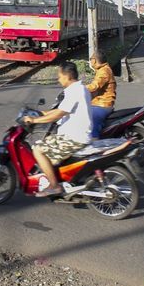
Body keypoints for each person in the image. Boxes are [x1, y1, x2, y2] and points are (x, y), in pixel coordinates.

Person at [22, 61, 92, 197]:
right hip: (76, 135)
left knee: (38, 150)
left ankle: (54, 186)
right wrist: (41, 113)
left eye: (60, 76)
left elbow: (59, 114)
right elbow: (59, 110)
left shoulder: (74, 91)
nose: (58, 79)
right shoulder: (80, 88)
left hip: (73, 138)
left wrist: (35, 120)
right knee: (48, 141)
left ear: (67, 76)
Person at [85, 50, 116, 140]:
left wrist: (81, 88)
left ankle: (94, 141)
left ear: (94, 60)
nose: (90, 62)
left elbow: (95, 86)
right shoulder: (102, 70)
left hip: (103, 104)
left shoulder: (104, 71)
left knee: (92, 119)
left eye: (91, 60)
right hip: (98, 102)